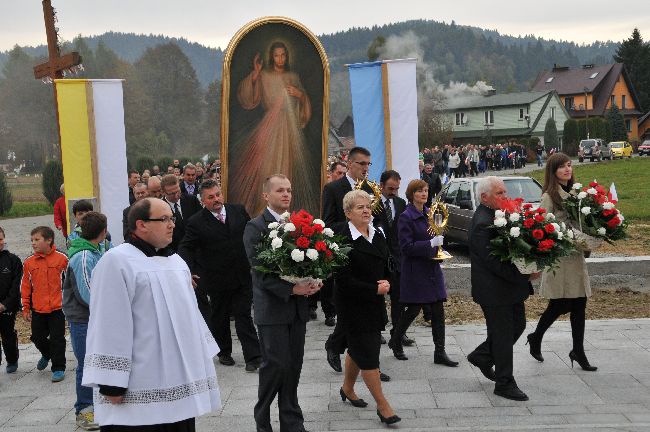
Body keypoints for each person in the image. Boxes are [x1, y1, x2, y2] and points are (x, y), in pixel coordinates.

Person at [82, 198, 221, 431]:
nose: (172, 225)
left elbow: (190, 316)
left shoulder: (176, 262)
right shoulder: (117, 261)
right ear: (141, 224)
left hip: (179, 380)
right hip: (139, 381)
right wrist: (111, 382)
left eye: (172, 218)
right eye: (164, 219)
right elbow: (109, 323)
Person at [243, 174, 320, 432]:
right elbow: (260, 271)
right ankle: (262, 417)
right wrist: (292, 288)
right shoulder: (255, 226)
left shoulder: (299, 225)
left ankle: (291, 422)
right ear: (266, 195)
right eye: (280, 190)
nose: (286, 194)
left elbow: (310, 261)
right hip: (272, 309)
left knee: (293, 366)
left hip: (297, 310)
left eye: (288, 190)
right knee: (276, 365)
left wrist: (315, 280)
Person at [321, 147, 390, 382]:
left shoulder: (371, 189)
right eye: (362, 164)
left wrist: (375, 228)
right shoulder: (333, 189)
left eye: (369, 164)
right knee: (352, 313)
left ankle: (364, 362)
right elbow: (328, 221)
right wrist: (351, 229)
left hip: (370, 254)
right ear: (349, 163)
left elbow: (378, 216)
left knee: (362, 317)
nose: (366, 168)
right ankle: (362, 361)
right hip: (349, 253)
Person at [466, 177, 538, 401]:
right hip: (494, 291)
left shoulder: (496, 214)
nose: (505, 197)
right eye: (500, 193)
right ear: (485, 197)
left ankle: (483, 356)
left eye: (505, 192)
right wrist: (526, 274)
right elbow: (494, 263)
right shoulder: (482, 223)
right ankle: (504, 383)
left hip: (508, 288)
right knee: (503, 336)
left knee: (518, 325)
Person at [179, 179, 262, 371]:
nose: (216, 199)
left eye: (218, 195)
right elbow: (186, 248)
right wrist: (188, 271)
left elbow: (251, 234)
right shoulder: (196, 222)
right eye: (211, 197)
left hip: (242, 274)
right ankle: (224, 351)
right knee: (220, 316)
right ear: (203, 201)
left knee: (243, 315)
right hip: (216, 279)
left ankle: (254, 357)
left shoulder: (238, 210)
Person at [526, 153, 597, 371]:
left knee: (579, 304)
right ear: (553, 171)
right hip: (560, 257)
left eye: (569, 165)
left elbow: (584, 222)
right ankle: (536, 337)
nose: (567, 169)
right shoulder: (549, 195)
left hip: (576, 256)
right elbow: (542, 227)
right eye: (561, 167)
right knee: (559, 304)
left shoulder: (577, 194)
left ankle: (578, 351)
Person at [336, 190, 401, 425]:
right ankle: (383, 406)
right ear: (347, 213)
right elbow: (343, 280)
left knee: (357, 349)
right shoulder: (342, 238)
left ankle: (347, 388)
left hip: (374, 303)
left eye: (367, 206)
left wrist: (389, 282)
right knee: (370, 353)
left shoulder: (377, 233)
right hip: (353, 305)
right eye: (359, 207)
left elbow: (386, 265)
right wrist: (375, 289)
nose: (366, 211)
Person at [230, 41, 315, 216]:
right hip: (269, 127)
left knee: (285, 169)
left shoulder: (292, 76)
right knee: (266, 167)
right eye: (277, 55)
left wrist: (300, 95)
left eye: (283, 55)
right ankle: (264, 211)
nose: (280, 59)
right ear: (271, 57)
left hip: (288, 129)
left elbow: (303, 108)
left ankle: (283, 213)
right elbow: (247, 97)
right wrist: (255, 73)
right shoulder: (264, 75)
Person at [387, 179, 457, 367]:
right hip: (415, 270)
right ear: (411, 195)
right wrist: (429, 245)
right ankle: (396, 340)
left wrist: (439, 247)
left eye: (426, 190)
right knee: (414, 309)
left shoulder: (430, 213)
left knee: (437, 310)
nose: (424, 194)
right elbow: (406, 247)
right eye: (419, 191)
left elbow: (436, 237)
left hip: (431, 268)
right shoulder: (406, 217)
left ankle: (440, 352)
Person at [63, 212, 108, 430]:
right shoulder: (82, 256)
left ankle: (99, 406)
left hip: (93, 317)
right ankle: (84, 411)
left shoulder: (97, 250)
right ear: (103, 231)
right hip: (83, 320)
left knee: (96, 363)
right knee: (85, 365)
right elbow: (86, 293)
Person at [21, 226, 69, 382]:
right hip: (38, 309)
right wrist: (26, 308)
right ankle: (47, 353)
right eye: (32, 240)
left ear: (49, 240)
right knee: (37, 337)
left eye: (37, 239)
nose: (33, 243)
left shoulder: (62, 258)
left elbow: (69, 283)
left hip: (57, 308)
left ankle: (58, 368)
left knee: (57, 339)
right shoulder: (28, 262)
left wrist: (69, 304)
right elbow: (25, 286)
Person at [375, 170, 412, 349]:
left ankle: (398, 332)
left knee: (398, 297)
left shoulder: (400, 203)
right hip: (379, 257)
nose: (393, 192)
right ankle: (377, 330)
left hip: (397, 258)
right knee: (377, 297)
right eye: (390, 188)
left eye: (396, 188)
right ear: (381, 186)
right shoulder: (373, 204)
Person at [0, 226, 22, 374]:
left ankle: (12, 359)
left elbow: (17, 285)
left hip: (6, 307)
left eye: (0, 239)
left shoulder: (13, 260)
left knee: (7, 335)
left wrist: (5, 304)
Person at [160, 174, 201, 251]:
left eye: (178, 191)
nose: (176, 196)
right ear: (163, 192)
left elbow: (201, 222)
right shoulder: (159, 208)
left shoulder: (192, 200)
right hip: (173, 253)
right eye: (172, 193)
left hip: (195, 249)